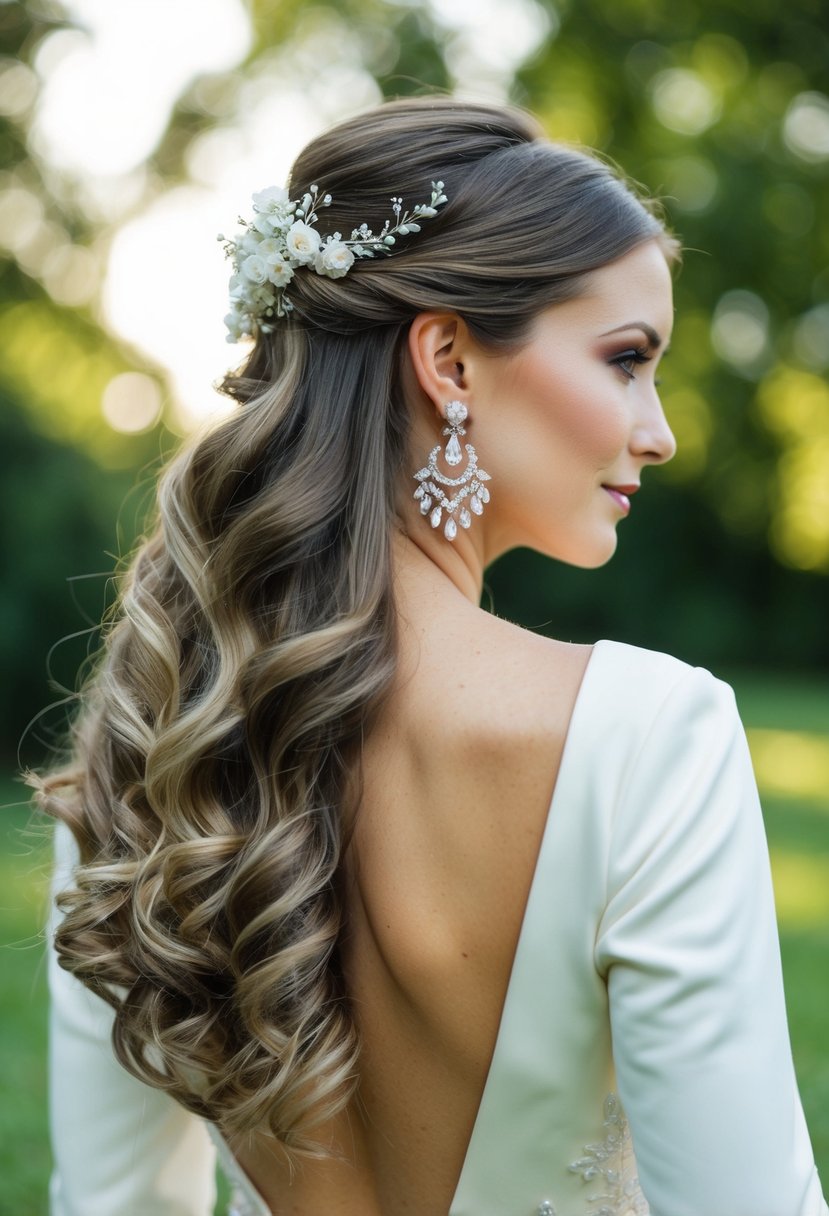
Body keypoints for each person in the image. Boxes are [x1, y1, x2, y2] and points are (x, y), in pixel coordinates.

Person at [34, 97, 827, 1216]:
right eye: (625, 359)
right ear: (448, 359)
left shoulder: (146, 751)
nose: (659, 431)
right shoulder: (647, 737)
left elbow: (111, 1204)